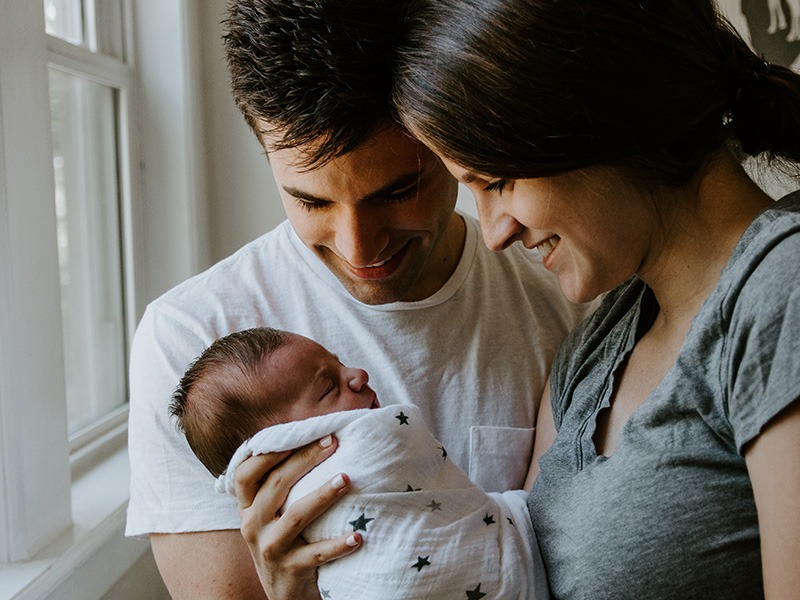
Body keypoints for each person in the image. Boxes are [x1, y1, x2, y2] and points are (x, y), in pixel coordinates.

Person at [124, 1, 591, 598]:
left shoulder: (567, 297)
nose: (359, 247)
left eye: (398, 191)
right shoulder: (190, 340)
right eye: (312, 202)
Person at [389, 0, 800, 598]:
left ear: (601, 115)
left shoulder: (779, 291)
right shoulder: (597, 345)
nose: (495, 232)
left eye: (497, 182)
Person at [170, 326, 548, 599]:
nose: (359, 374)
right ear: (280, 445)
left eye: (339, 363)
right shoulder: (180, 326)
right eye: (328, 387)